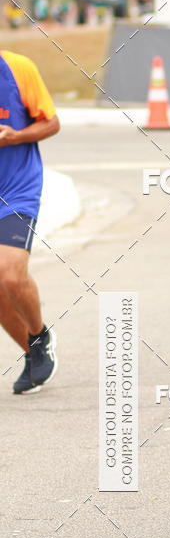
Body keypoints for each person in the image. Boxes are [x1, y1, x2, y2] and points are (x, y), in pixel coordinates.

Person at [0, 50, 60, 394]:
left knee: (9, 271)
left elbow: (51, 123)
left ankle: (39, 335)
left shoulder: (18, 68)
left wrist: (13, 136)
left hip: (16, 189)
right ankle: (32, 353)